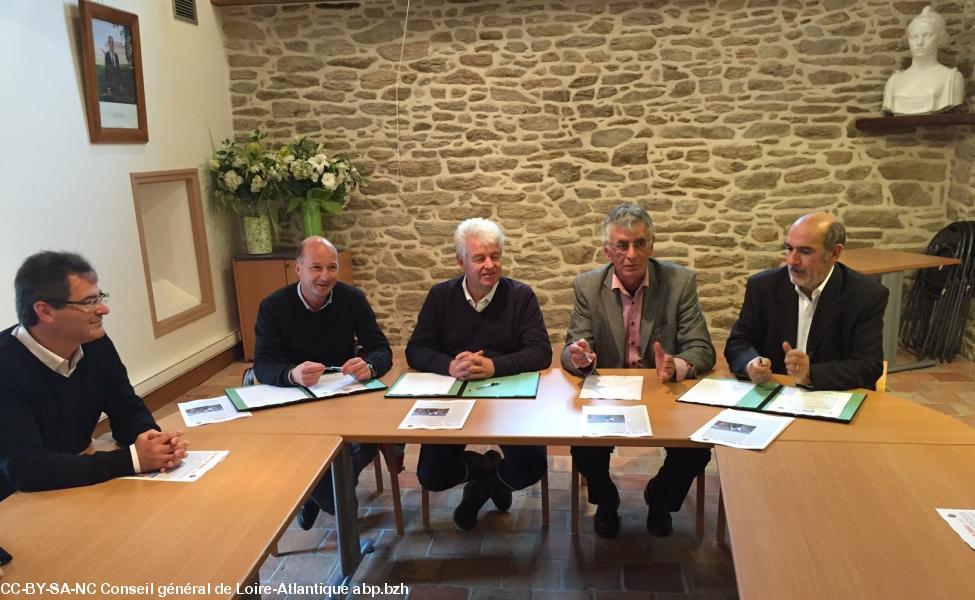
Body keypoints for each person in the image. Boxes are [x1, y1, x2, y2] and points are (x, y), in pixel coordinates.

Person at [562, 203, 715, 539]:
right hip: (609, 394)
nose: (631, 254)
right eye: (621, 245)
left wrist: (678, 365)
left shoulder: (679, 282)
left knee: (696, 448)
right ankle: (606, 500)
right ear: (607, 250)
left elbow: (702, 349)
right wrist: (581, 358)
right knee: (583, 447)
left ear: (652, 245)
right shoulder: (588, 286)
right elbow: (571, 349)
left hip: (664, 391)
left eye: (640, 244)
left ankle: (659, 498)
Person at [0, 251, 188, 502]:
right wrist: (132, 459)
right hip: (15, 503)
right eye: (89, 302)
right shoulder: (6, 366)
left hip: (72, 481)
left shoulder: (93, 343)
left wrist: (148, 437)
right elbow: (27, 469)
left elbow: (124, 405)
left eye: (100, 297)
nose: (103, 309)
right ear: (45, 311)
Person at [406, 218, 552, 530]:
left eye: (495, 256)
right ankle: (485, 467)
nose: (490, 265)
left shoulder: (521, 296)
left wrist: (493, 367)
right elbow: (416, 349)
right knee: (431, 475)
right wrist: (449, 366)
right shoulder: (440, 296)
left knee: (531, 465)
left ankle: (484, 489)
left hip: (510, 400)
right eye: (479, 258)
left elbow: (541, 351)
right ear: (461, 261)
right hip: (454, 400)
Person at [253, 236, 394, 530]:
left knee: (369, 440)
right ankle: (327, 494)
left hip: (344, 396)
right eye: (316, 267)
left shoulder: (351, 298)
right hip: (296, 401)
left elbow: (381, 349)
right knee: (333, 489)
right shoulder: (273, 306)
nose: (325, 276)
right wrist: (292, 374)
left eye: (332, 267)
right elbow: (263, 364)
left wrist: (369, 365)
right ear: (297, 269)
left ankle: (317, 493)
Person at [725, 213, 888, 391]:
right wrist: (751, 364)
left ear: (834, 253)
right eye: (789, 249)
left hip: (830, 397)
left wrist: (810, 373)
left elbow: (869, 366)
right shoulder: (763, 287)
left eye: (805, 251)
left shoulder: (865, 294)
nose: (791, 261)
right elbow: (738, 342)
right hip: (774, 393)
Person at [882, 5, 965, 115]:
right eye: (914, 37)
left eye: (927, 35)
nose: (919, 42)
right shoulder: (894, 81)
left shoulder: (952, 79)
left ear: (940, 40)